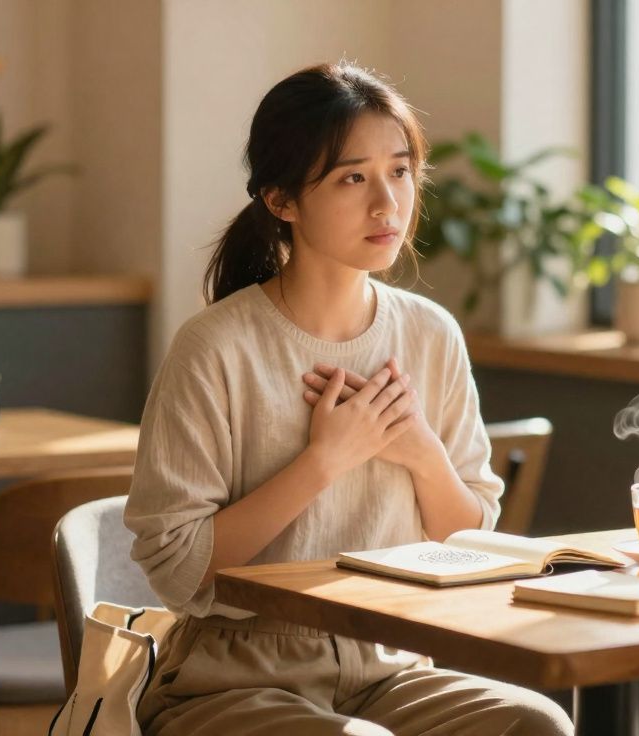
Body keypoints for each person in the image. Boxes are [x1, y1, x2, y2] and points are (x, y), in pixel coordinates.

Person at [124, 62, 573, 736]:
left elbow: (472, 545)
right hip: (234, 679)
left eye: (399, 171)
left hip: (391, 664)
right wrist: (322, 464)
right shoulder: (215, 347)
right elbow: (178, 569)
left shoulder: (431, 335)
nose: (387, 203)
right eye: (352, 178)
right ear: (281, 200)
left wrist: (423, 455)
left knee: (535, 724)